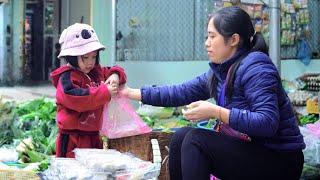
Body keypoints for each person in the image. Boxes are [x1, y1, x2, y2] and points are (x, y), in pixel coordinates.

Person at [121, 6, 305, 180]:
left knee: (196, 140)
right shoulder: (221, 71)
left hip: (280, 160)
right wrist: (130, 93)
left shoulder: (257, 68)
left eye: (212, 37)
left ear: (233, 40)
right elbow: (180, 92)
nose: (207, 44)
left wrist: (217, 112)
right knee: (181, 136)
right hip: (252, 150)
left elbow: (267, 123)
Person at [50, 23, 127, 158]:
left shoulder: (95, 72)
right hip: (72, 138)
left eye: (93, 57)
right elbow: (76, 98)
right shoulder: (67, 77)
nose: (90, 62)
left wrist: (115, 76)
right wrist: (104, 92)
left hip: (93, 135)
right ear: (72, 56)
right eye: (85, 57)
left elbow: (115, 70)